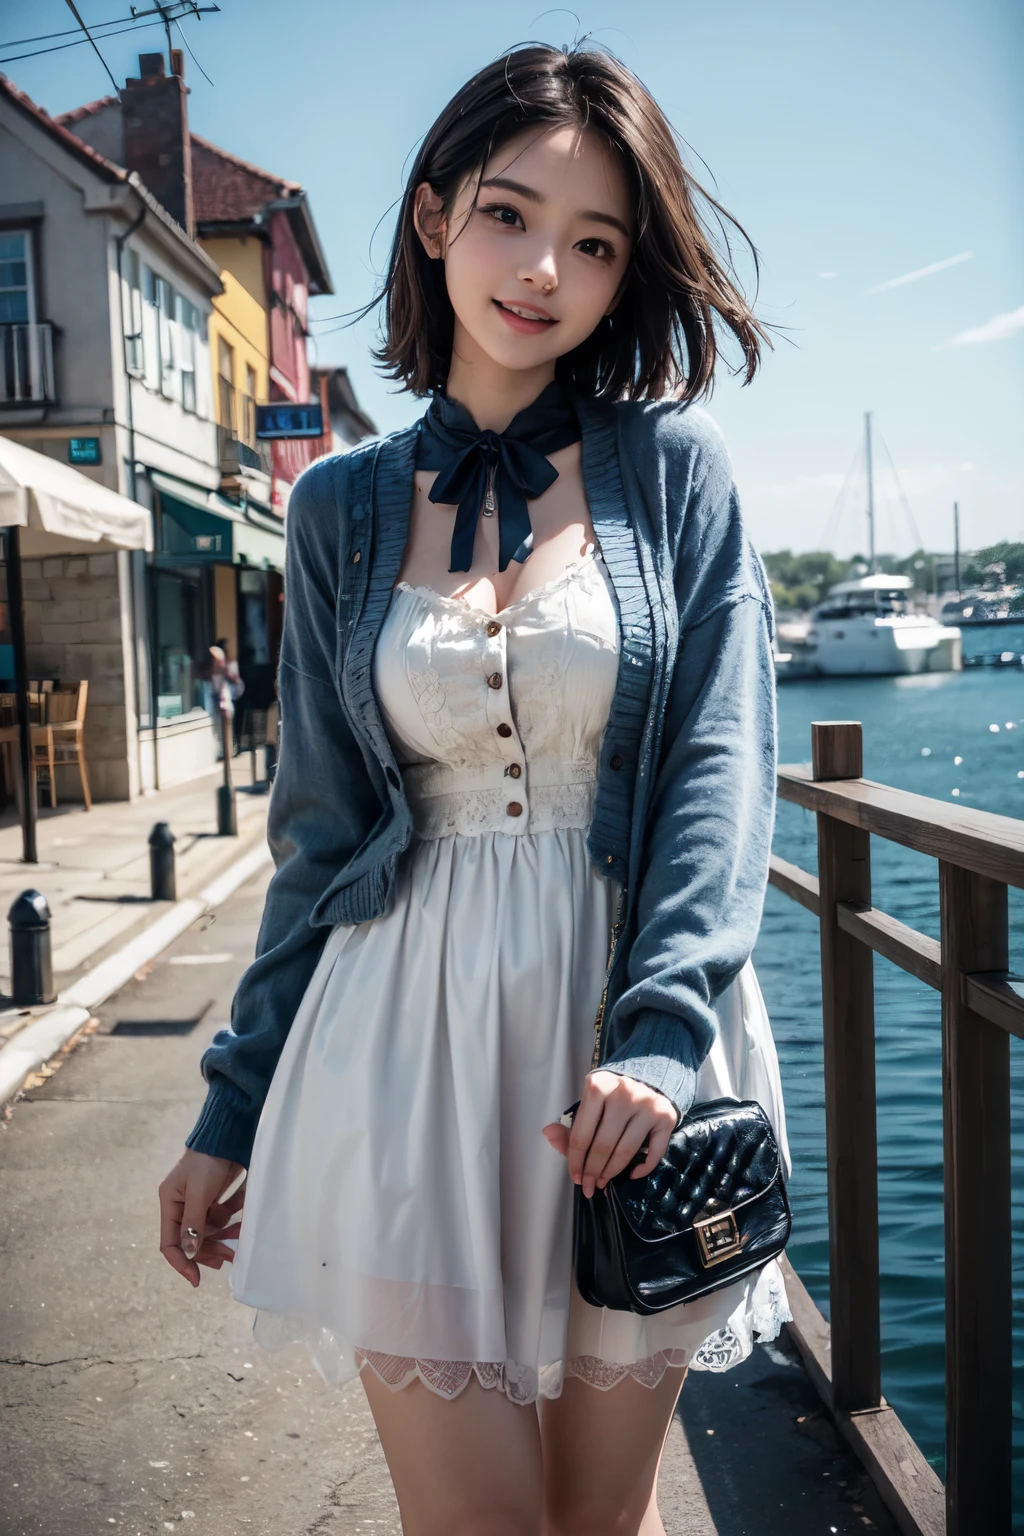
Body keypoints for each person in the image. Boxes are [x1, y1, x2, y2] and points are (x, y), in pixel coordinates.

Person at [159, 42, 790, 1535]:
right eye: (510, 216)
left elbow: (721, 765)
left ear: (626, 273)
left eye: (593, 242)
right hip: (399, 1049)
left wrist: (664, 1038)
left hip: (618, 1062)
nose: (543, 270)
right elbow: (317, 833)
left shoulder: (677, 477)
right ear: (436, 216)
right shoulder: (336, 508)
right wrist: (228, 1109)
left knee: (599, 1525)